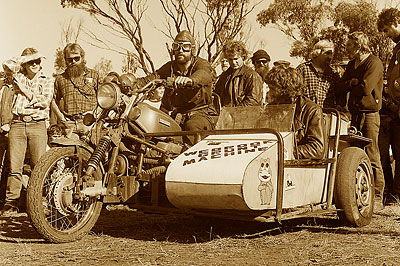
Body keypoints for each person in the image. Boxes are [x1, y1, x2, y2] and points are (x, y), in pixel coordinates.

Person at [134, 30, 217, 138]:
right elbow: (152, 78)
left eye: (185, 47)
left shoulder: (201, 64)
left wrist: (190, 80)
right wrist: (129, 83)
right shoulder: (170, 67)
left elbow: (204, 74)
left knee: (191, 127)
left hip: (202, 114)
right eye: (176, 46)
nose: (180, 50)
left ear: (192, 50)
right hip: (177, 115)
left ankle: (192, 155)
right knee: (150, 126)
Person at [1, 48, 53, 215]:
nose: (36, 64)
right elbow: (7, 64)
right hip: (17, 124)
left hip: (37, 125)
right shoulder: (19, 77)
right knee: (14, 167)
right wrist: (22, 61)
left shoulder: (47, 80)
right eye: (32, 61)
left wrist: (24, 90)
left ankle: (40, 202)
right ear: (24, 64)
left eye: (38, 60)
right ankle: (11, 203)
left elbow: (43, 101)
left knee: (39, 167)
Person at [336, 31, 385, 211]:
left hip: (370, 115)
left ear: (358, 45)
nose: (346, 48)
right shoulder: (351, 65)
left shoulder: (374, 62)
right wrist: (352, 82)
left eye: (349, 45)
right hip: (354, 116)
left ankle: (378, 197)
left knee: (372, 155)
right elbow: (341, 86)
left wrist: (353, 83)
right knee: (355, 153)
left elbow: (365, 88)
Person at [264, 65, 325, 159]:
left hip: (297, 166)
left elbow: (317, 149)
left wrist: (286, 151)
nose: (269, 92)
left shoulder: (312, 110)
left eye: (272, 88)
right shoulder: (271, 108)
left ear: (284, 89)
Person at [53, 43, 100, 138]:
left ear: (82, 58)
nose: (73, 62)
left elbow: (104, 99)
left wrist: (95, 114)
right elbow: (53, 100)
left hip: (91, 124)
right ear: (65, 60)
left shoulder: (94, 75)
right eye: (70, 59)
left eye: (76, 58)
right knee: (68, 151)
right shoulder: (60, 78)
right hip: (70, 125)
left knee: (97, 152)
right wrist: (61, 117)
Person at [377, 8, 400, 203]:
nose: (386, 35)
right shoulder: (396, 49)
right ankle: (394, 194)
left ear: (396, 21)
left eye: (386, 29)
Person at [214, 41, 263, 107]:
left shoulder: (252, 76)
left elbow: (254, 100)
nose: (233, 62)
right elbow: (217, 97)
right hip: (225, 115)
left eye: (236, 59)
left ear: (243, 57)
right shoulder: (224, 76)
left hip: (245, 115)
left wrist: (235, 112)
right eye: (230, 59)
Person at [296, 40, 339, 108]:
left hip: (327, 115)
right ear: (317, 53)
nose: (330, 57)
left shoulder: (333, 73)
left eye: (331, 54)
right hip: (306, 115)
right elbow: (295, 93)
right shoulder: (303, 69)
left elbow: (339, 95)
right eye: (327, 53)